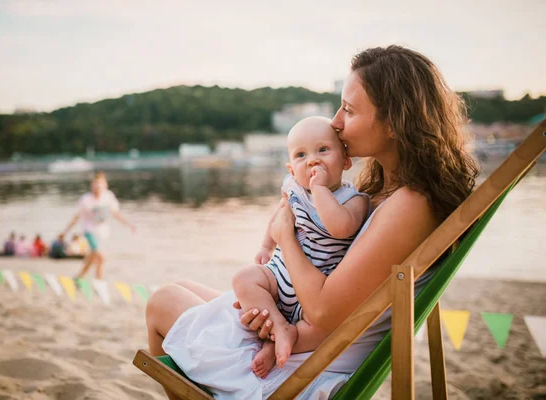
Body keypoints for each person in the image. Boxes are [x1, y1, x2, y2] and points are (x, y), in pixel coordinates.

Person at [145, 45, 479, 399]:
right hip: (305, 339)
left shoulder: (410, 204)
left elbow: (322, 311)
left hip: (305, 367)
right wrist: (272, 310)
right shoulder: (388, 193)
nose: (336, 121)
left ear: (394, 121)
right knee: (184, 286)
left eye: (348, 110)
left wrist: (284, 238)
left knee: (162, 301)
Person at [231, 116, 369, 378]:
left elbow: (340, 227)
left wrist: (319, 189)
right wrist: (265, 245)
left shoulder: (354, 200)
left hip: (315, 289)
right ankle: (279, 328)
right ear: (292, 170)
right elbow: (279, 215)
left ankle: (287, 337)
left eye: (323, 150)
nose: (312, 160)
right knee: (243, 278)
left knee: (322, 329)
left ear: (346, 161)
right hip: (280, 273)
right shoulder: (293, 189)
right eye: (301, 155)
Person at [62, 172, 136, 280]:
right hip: (89, 231)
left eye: (100, 184)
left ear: (105, 185)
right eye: (95, 184)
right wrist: (65, 232)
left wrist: (129, 224)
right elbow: (76, 217)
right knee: (101, 257)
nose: (98, 187)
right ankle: (99, 282)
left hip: (102, 233)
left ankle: (78, 277)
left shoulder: (108, 196)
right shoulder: (86, 199)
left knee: (92, 257)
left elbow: (115, 213)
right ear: (91, 185)